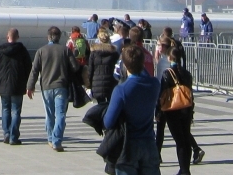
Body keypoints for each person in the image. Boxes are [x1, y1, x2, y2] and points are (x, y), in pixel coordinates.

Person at [104, 43, 161, 175]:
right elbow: (145, 76)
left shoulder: (121, 90)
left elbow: (108, 122)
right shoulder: (154, 84)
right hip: (148, 142)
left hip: (128, 145)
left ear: (124, 64)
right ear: (142, 62)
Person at [26, 25, 76, 152]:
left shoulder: (41, 51)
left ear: (48, 37)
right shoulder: (65, 50)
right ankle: (57, 141)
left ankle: (50, 138)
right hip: (61, 86)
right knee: (61, 115)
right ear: (59, 37)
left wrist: (30, 87)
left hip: (46, 87)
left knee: (49, 115)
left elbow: (34, 71)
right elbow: (75, 67)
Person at [158, 42, 203, 172]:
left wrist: (158, 110)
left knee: (179, 141)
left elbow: (162, 94)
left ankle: (184, 170)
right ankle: (185, 169)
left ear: (169, 58)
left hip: (173, 110)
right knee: (185, 137)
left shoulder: (167, 74)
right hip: (186, 109)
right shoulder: (187, 74)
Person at [0, 27, 31, 145]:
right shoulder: (22, 50)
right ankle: (13, 136)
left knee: (5, 109)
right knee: (16, 111)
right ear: (17, 37)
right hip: (18, 85)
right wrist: (29, 84)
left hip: (3, 85)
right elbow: (29, 68)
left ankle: (6, 133)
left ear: (7, 37)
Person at [87, 27, 119, 104]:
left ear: (99, 38)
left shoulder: (94, 53)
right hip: (110, 82)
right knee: (109, 104)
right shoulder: (114, 53)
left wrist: (89, 84)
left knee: (100, 105)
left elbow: (90, 70)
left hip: (96, 82)